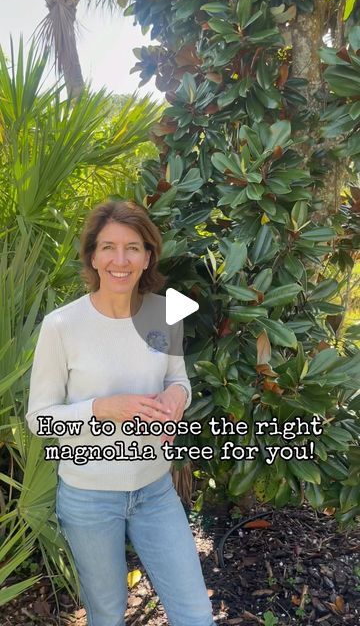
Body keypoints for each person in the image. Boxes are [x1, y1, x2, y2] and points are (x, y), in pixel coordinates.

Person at [26, 200, 215, 626]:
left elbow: (178, 381)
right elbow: (39, 418)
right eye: (108, 247)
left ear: (148, 256)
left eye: (133, 247)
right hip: (88, 498)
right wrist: (99, 410)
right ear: (92, 255)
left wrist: (175, 401)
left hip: (155, 491)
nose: (120, 259)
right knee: (107, 613)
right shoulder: (61, 326)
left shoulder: (165, 314)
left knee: (196, 614)